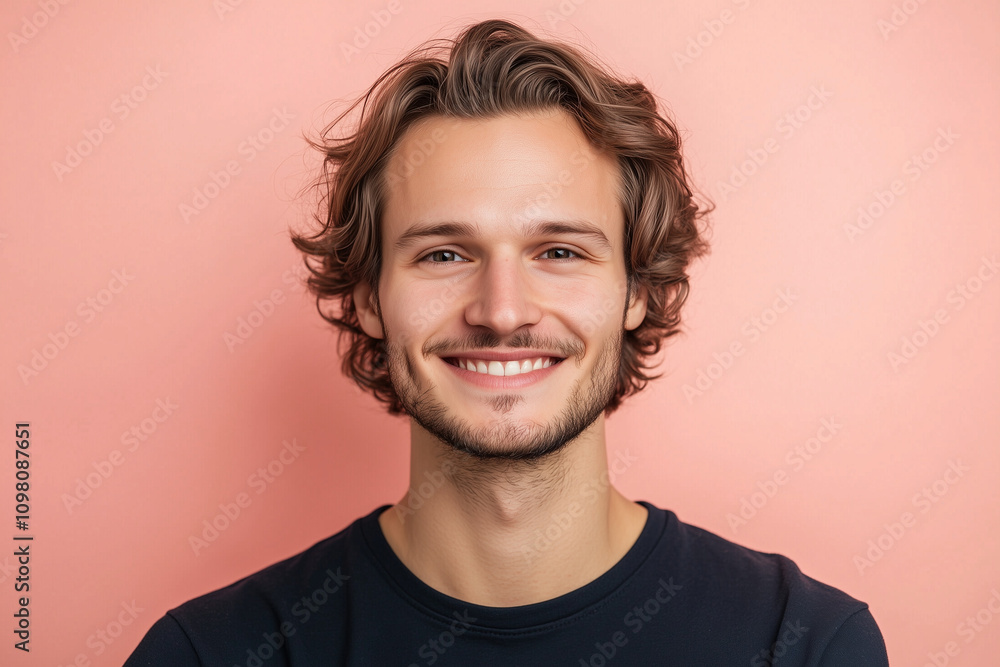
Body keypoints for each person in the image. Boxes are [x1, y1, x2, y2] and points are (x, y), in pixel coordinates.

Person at [126, 18, 889, 666]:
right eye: (443, 254)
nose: (500, 311)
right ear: (366, 298)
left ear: (640, 291)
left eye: (559, 251)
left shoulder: (803, 644)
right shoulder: (212, 651)